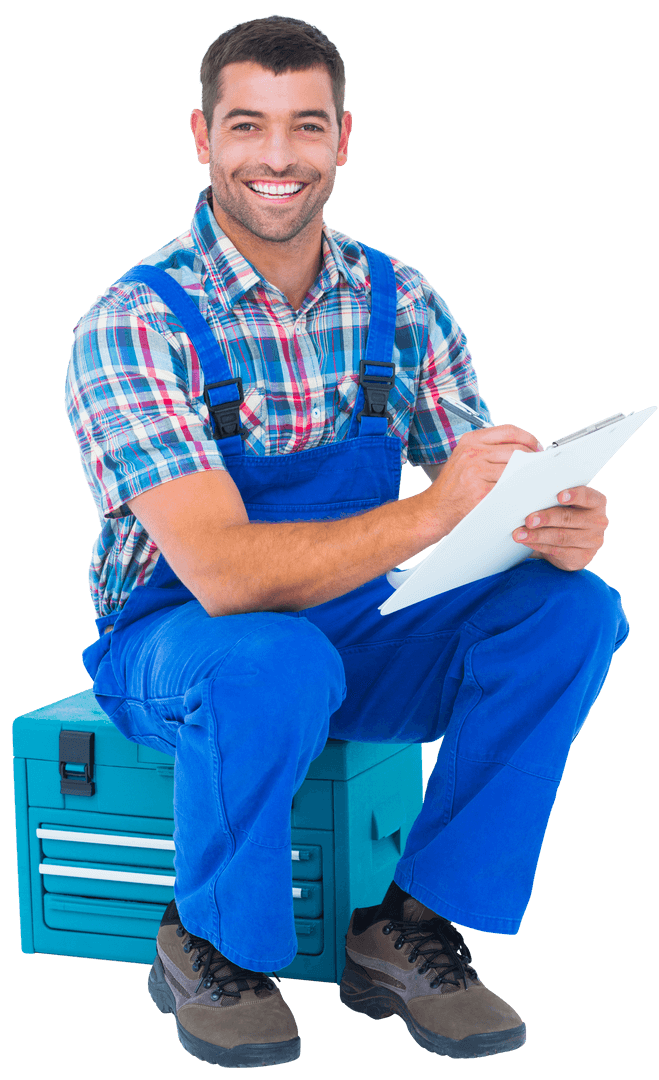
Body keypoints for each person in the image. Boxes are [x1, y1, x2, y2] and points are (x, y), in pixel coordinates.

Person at [65, 15, 628, 1069]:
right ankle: (211, 941)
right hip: (177, 643)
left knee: (572, 613)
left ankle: (406, 923)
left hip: (355, 630)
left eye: (304, 127)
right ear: (202, 136)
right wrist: (434, 511)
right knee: (268, 657)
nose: (276, 158)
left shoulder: (399, 300)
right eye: (247, 126)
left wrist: (549, 522)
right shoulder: (132, 324)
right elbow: (225, 577)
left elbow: (478, 498)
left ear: (343, 139)